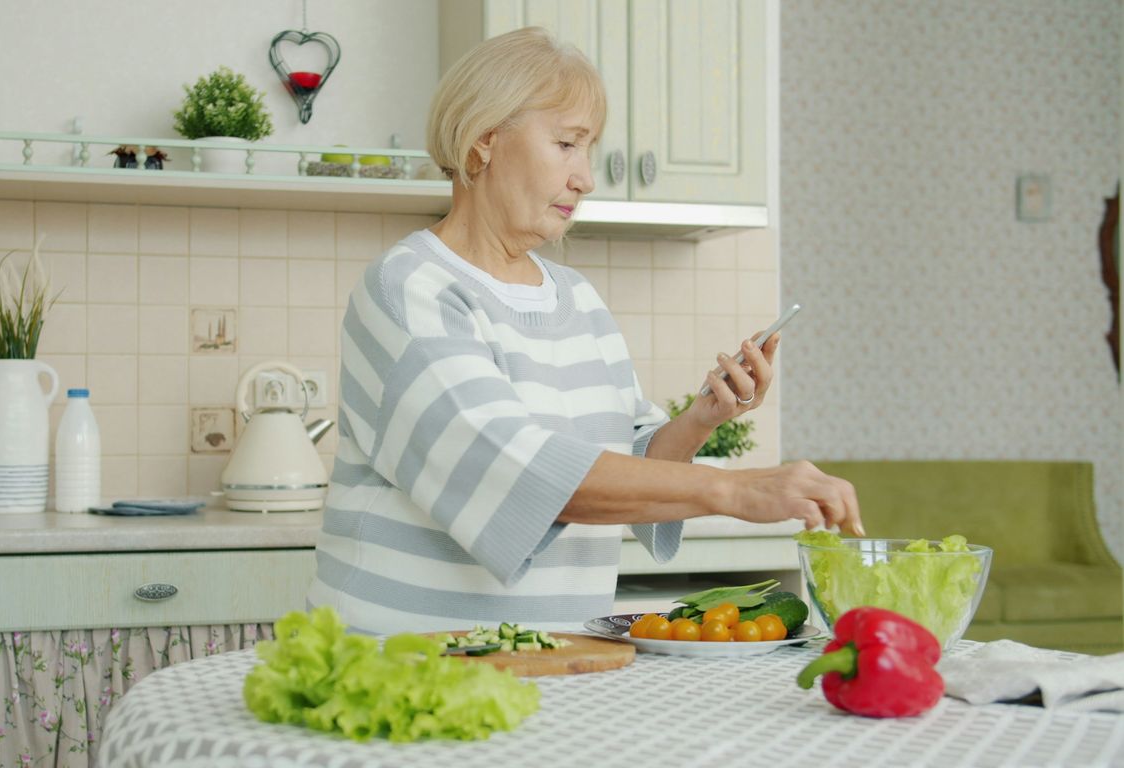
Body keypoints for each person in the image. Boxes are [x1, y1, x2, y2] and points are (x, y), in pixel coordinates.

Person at [306, 27, 862, 634]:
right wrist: (736, 491)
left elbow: (630, 462)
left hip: (556, 656)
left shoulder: (576, 297)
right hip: (407, 659)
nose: (586, 178)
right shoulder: (411, 287)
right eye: (568, 144)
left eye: (590, 149)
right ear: (485, 139)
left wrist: (701, 418)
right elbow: (518, 472)